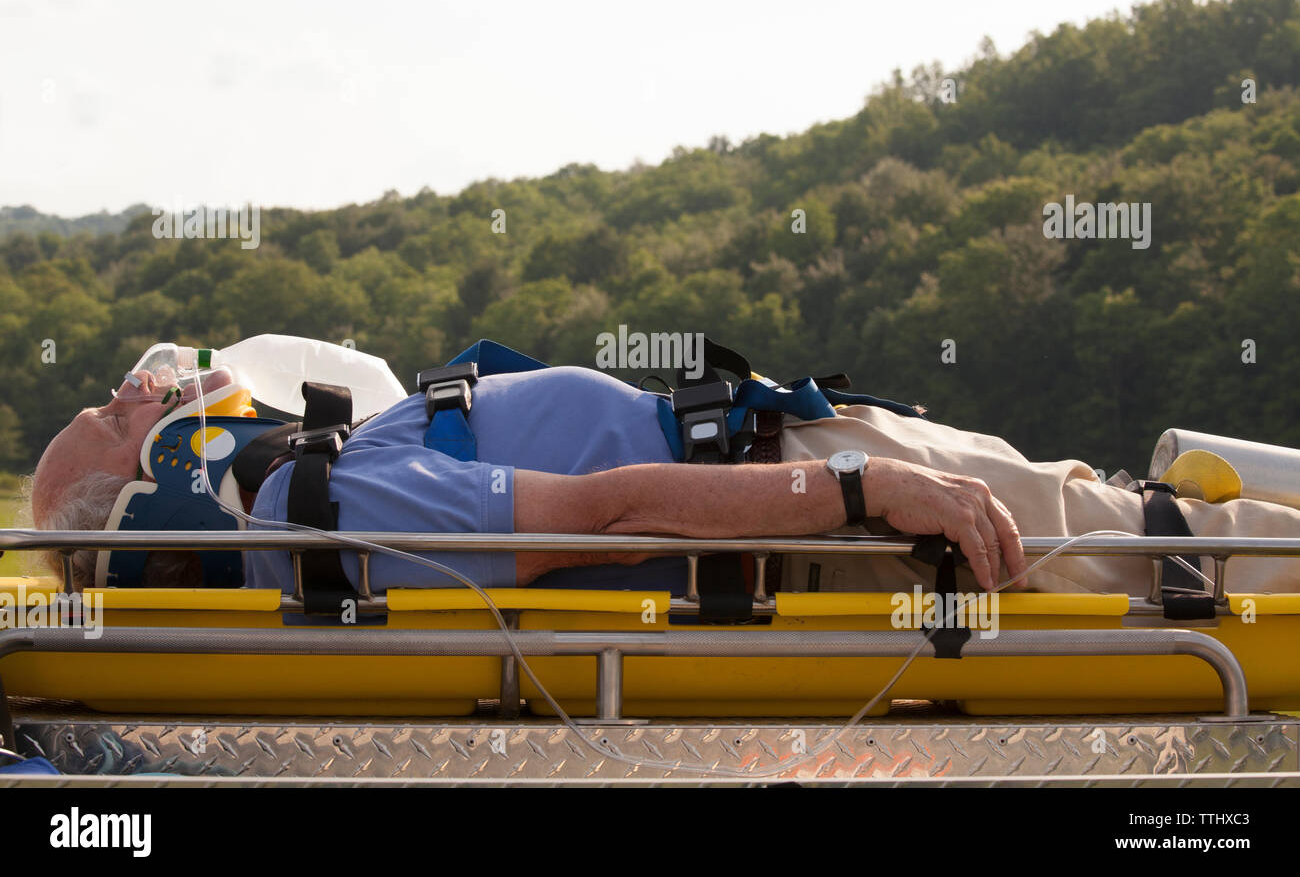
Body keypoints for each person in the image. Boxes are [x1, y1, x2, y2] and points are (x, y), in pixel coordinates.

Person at [25, 354, 1300, 597]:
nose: (142, 388)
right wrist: (860, 488)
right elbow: (610, 509)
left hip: (788, 454)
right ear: (152, 483)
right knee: (1144, 530)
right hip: (810, 494)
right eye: (113, 410)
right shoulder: (339, 508)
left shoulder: (319, 473)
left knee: (1126, 498)